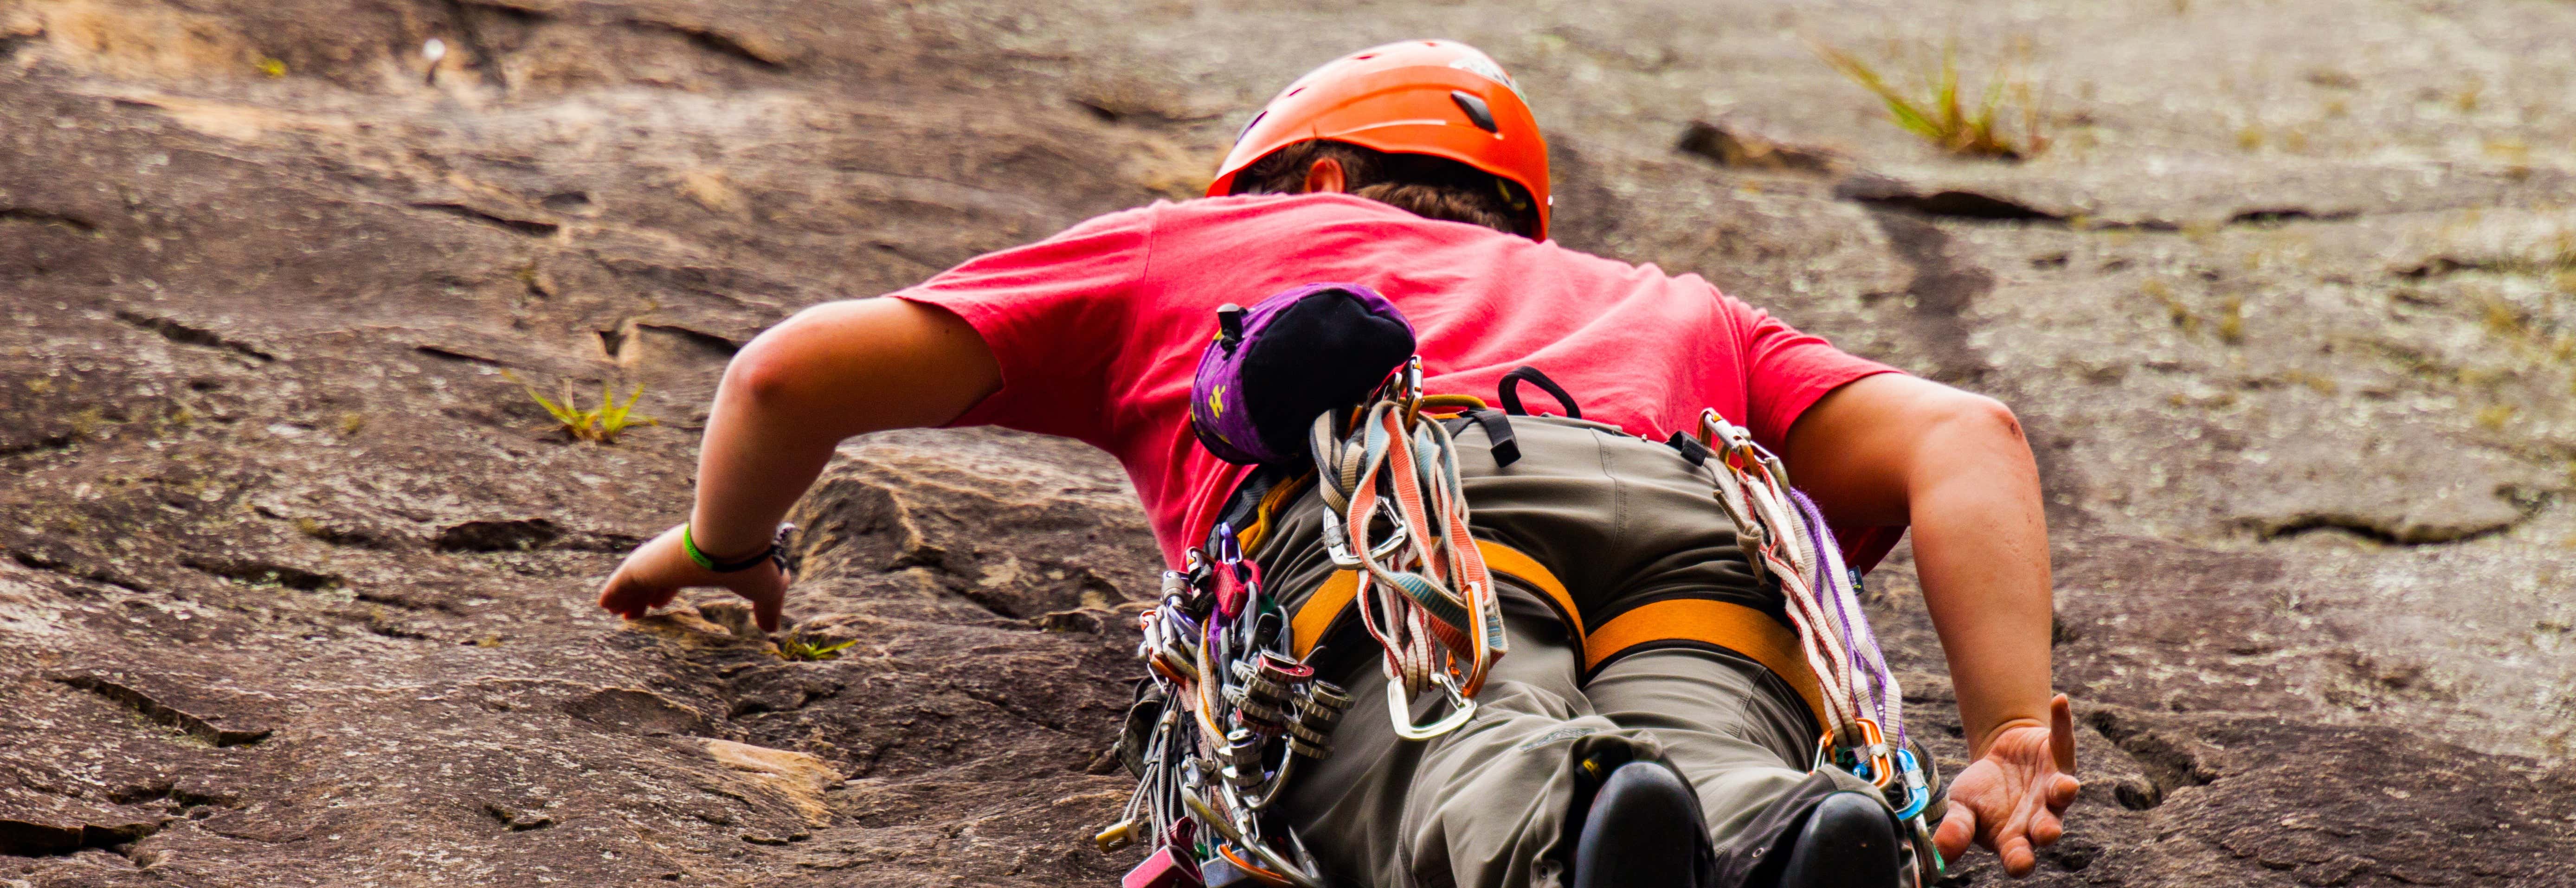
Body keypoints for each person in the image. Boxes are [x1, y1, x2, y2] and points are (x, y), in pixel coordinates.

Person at [594, 39, 2076, 888]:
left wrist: (726, 547)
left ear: (1311, 181)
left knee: (1453, 726)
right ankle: (1774, 828)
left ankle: (1571, 826)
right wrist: (2010, 728)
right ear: (1513, 218)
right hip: (1698, 521)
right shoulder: (1671, 302)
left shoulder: (1212, 241)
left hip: (1412, 507)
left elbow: (789, 371)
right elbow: (1969, 436)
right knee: (1725, 723)